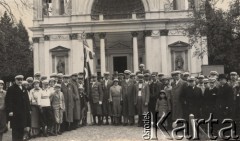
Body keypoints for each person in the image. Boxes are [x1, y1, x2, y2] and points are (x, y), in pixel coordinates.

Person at [5, 75, 31, 141]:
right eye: (18, 80)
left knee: (22, 127)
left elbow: (27, 100)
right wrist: (10, 110)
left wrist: (29, 109)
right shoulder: (11, 88)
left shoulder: (24, 88)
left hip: (23, 112)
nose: (20, 81)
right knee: (15, 128)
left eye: (21, 80)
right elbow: (8, 100)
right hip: (15, 112)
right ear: (15, 80)